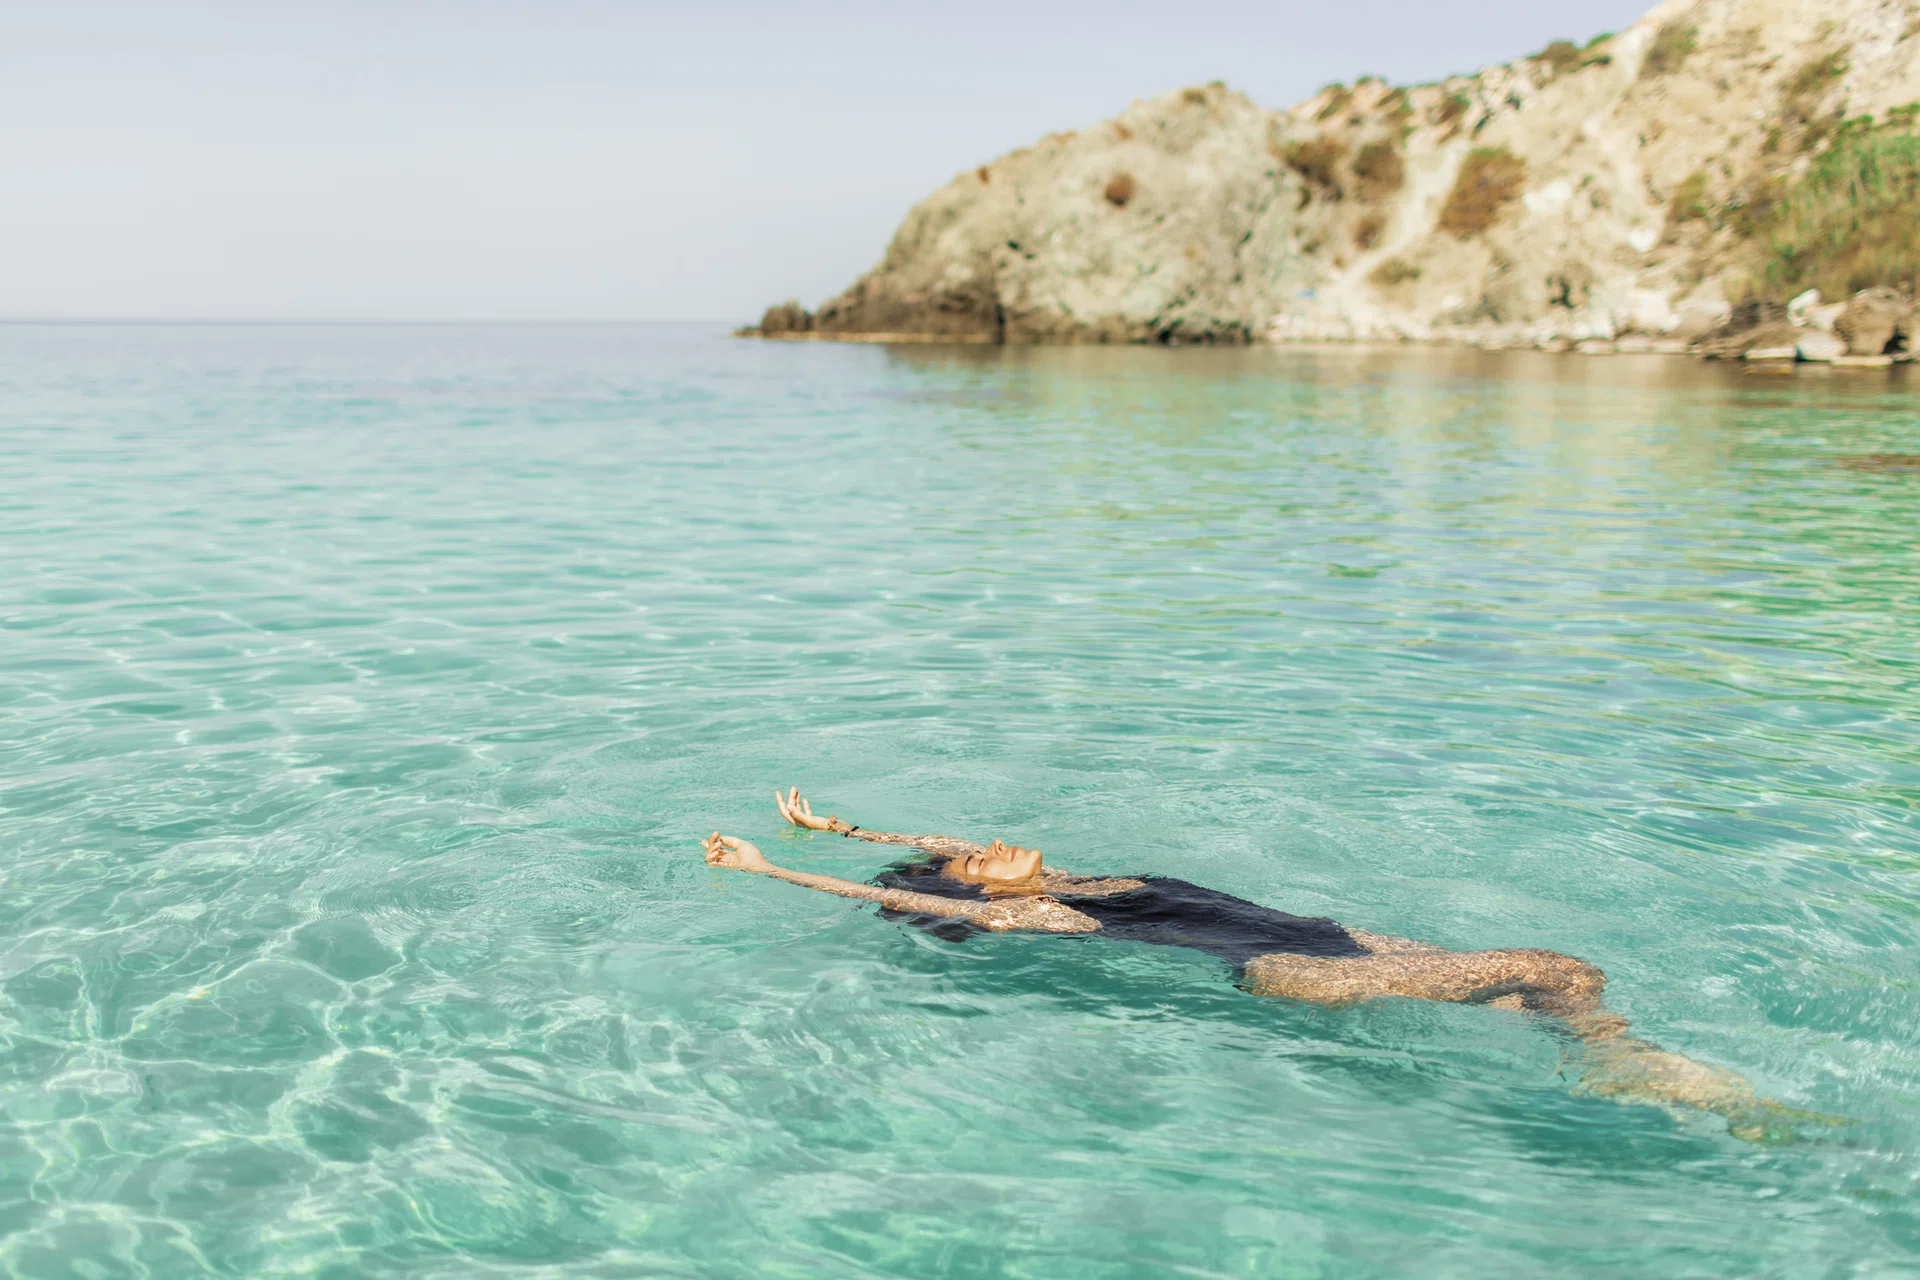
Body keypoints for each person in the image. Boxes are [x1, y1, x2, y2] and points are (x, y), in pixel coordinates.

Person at [701, 788, 1826, 1141]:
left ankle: (1607, 1058)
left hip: (1326, 936)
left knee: (1553, 976)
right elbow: (908, 892)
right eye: (975, 859)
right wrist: (772, 871)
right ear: (975, 894)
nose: (985, 842)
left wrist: (835, 824)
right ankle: (1627, 1069)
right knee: (1547, 958)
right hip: (1290, 971)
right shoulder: (1033, 913)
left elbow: (934, 852)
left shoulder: (1079, 877)